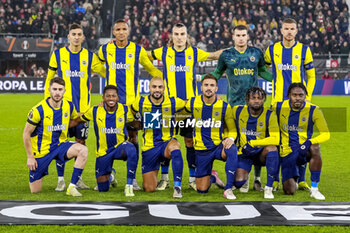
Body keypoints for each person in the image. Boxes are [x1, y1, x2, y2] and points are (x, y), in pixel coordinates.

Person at [147, 23, 224, 191]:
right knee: (165, 141)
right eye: (176, 33)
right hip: (169, 108)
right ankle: (165, 178)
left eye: (182, 33)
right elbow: (143, 55)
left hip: (190, 108)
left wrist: (232, 50)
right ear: (171, 36)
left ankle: (191, 177)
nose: (179, 37)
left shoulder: (194, 52)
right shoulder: (163, 51)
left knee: (190, 142)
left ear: (187, 35)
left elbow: (213, 56)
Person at [98, 19, 163, 190]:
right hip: (111, 105)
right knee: (109, 140)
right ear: (113, 32)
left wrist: (160, 84)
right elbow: (94, 64)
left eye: (124, 29)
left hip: (132, 106)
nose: (121, 32)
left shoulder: (137, 50)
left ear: (128, 31)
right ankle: (108, 173)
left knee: (134, 138)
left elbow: (152, 69)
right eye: (118, 29)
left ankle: (132, 178)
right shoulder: (105, 49)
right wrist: (107, 73)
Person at [211, 24, 273, 193]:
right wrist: (204, 79)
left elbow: (263, 72)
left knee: (258, 138)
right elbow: (217, 73)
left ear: (247, 37)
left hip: (254, 106)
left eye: (243, 35)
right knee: (237, 141)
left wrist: (280, 77)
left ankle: (257, 179)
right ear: (233, 37)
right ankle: (242, 175)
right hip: (233, 106)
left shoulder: (256, 53)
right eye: (237, 35)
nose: (240, 38)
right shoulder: (226, 55)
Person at [44, 23, 106, 191]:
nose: (77, 37)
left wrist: (107, 97)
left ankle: (77, 179)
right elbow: (49, 80)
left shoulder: (89, 56)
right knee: (60, 143)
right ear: (68, 37)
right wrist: (47, 103)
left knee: (81, 143)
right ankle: (60, 180)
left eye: (79, 34)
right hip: (63, 111)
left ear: (83, 37)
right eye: (74, 34)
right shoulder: (57, 55)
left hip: (83, 112)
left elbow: (107, 73)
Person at [264, 18, 316, 190]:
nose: (289, 32)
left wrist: (307, 98)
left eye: (292, 29)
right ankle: (277, 179)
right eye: (286, 28)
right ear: (281, 30)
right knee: (278, 141)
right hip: (278, 103)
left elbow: (311, 76)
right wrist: (274, 80)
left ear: (296, 30)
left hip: (300, 104)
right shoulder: (272, 49)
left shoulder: (304, 50)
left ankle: (301, 179)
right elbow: (263, 68)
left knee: (302, 139)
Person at [23, 78, 88, 197]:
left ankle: (72, 186)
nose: (57, 92)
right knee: (35, 190)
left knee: (83, 150)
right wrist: (30, 157)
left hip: (60, 145)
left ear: (64, 91)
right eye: (54, 89)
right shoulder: (38, 110)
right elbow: (26, 133)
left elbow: (76, 118)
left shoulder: (68, 105)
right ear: (49, 90)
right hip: (42, 151)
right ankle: (40, 172)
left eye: (60, 89)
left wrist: (93, 112)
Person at [69, 85, 138, 196]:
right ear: (103, 98)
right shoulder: (95, 111)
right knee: (102, 188)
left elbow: (135, 122)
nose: (111, 98)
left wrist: (146, 122)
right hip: (103, 152)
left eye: (113, 96)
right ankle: (111, 176)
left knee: (131, 148)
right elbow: (78, 120)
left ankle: (129, 186)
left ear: (118, 98)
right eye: (108, 96)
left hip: (120, 148)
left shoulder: (125, 110)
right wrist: (64, 125)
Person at [184, 74, 238, 199]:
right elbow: (178, 111)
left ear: (216, 89)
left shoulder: (224, 106)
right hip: (202, 151)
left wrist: (230, 139)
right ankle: (212, 177)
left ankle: (228, 188)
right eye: (206, 85)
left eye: (212, 85)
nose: (209, 88)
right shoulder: (192, 102)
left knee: (232, 149)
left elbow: (232, 129)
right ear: (201, 87)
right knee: (202, 190)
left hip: (218, 147)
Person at [273, 83, 330, 200]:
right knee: (289, 191)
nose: (298, 98)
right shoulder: (277, 107)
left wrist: (309, 142)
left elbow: (326, 134)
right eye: (294, 95)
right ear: (289, 95)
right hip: (286, 153)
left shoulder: (314, 110)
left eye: (301, 95)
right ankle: (293, 178)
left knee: (315, 147)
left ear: (305, 96)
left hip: (303, 150)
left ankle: (314, 189)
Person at [130, 77, 185, 198]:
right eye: (154, 87)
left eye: (160, 87)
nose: (157, 90)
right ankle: (158, 170)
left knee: (175, 147)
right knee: (149, 188)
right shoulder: (140, 102)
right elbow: (131, 111)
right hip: (150, 147)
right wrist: (135, 122)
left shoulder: (173, 102)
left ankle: (177, 187)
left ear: (164, 89)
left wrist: (178, 119)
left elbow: (190, 105)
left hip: (167, 143)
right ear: (149, 88)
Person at [232, 87, 280, 199]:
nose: (257, 100)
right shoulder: (237, 110)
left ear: (263, 100)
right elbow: (224, 116)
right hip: (243, 154)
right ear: (247, 100)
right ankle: (246, 176)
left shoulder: (270, 114)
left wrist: (253, 143)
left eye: (259, 98)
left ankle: (268, 188)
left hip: (260, 154)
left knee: (272, 149)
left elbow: (276, 138)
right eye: (253, 98)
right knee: (238, 183)